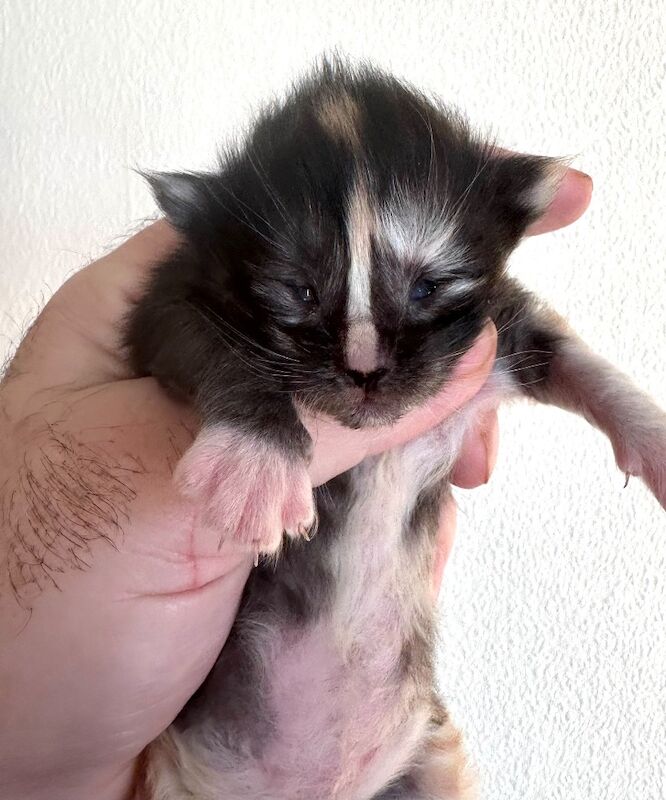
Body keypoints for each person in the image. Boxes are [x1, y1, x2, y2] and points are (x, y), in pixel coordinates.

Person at [0, 168, 592, 800]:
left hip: (383, 747)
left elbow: (536, 346)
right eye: (304, 294)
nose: (366, 358)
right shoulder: (216, 324)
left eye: (421, 288)